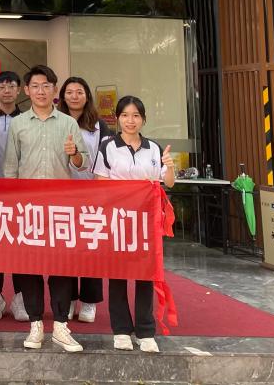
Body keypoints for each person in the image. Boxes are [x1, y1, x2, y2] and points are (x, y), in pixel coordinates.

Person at [3, 65, 90, 352]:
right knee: (29, 266)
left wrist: (74, 155)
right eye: (35, 86)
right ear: (27, 90)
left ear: (54, 90)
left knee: (61, 266)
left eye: (46, 86)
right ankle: (36, 324)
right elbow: (11, 167)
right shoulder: (18, 124)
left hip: (59, 207)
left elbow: (83, 164)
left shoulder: (68, 123)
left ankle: (61, 326)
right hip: (27, 207)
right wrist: (11, 206)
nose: (41, 91)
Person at [94, 95, 174, 353]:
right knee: (117, 276)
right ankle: (121, 330)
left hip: (146, 222)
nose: (131, 121)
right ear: (118, 119)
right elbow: (100, 182)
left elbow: (168, 182)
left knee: (145, 276)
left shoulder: (154, 148)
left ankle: (145, 331)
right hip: (118, 220)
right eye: (125, 115)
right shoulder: (108, 146)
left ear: (143, 119)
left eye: (136, 116)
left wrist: (170, 166)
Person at [58, 77, 112, 324]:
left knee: (91, 247)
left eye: (79, 92)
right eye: (69, 92)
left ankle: (89, 301)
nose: (74, 96)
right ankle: (68, 299)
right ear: (63, 96)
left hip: (92, 194)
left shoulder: (99, 125)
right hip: (64, 193)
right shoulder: (57, 121)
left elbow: (108, 157)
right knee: (66, 248)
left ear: (87, 96)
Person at [0, 70, 27, 323]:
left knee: (19, 245)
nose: (7, 90)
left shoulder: (27, 119)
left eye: (11, 86)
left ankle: (20, 297)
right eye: (2, 86)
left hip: (19, 191)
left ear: (19, 90)